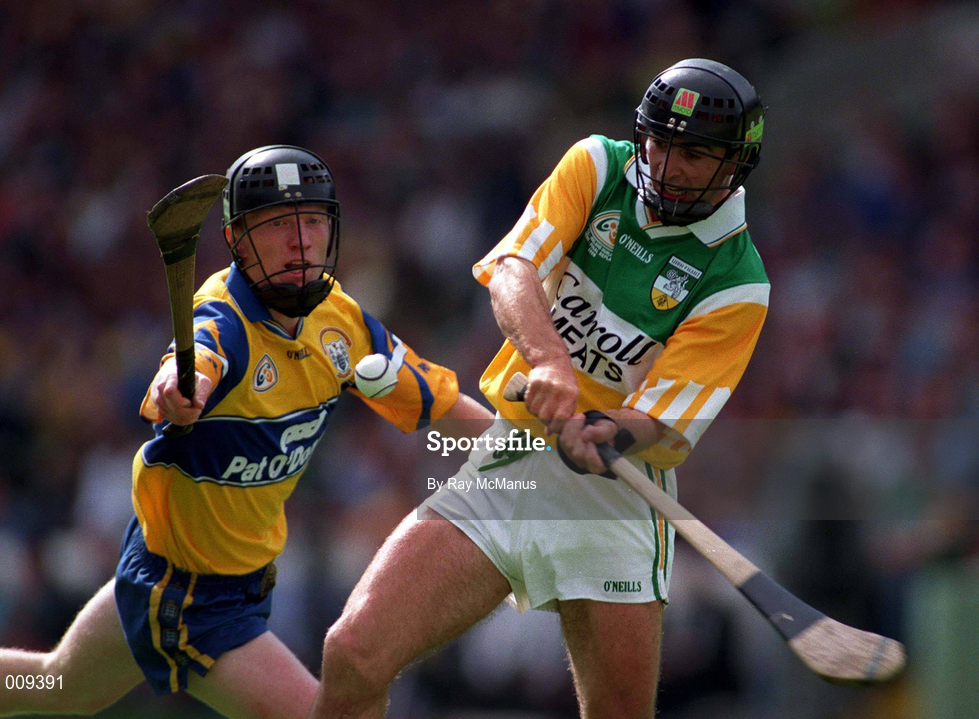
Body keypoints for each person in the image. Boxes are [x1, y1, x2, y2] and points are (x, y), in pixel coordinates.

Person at [0, 145, 492, 719]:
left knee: (56, 685)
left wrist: (530, 449)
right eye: (278, 225)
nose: (301, 241)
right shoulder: (223, 320)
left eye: (313, 221)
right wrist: (180, 393)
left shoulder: (341, 322)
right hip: (192, 599)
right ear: (238, 240)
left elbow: (442, 404)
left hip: (191, 573)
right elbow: (188, 368)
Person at [309, 58, 770, 719]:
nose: (667, 165)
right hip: (512, 462)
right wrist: (550, 360)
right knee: (353, 652)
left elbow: (664, 418)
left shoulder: (738, 282)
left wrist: (607, 431)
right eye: (658, 142)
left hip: (614, 504)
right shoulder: (598, 166)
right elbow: (513, 268)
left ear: (734, 167)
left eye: (693, 154)